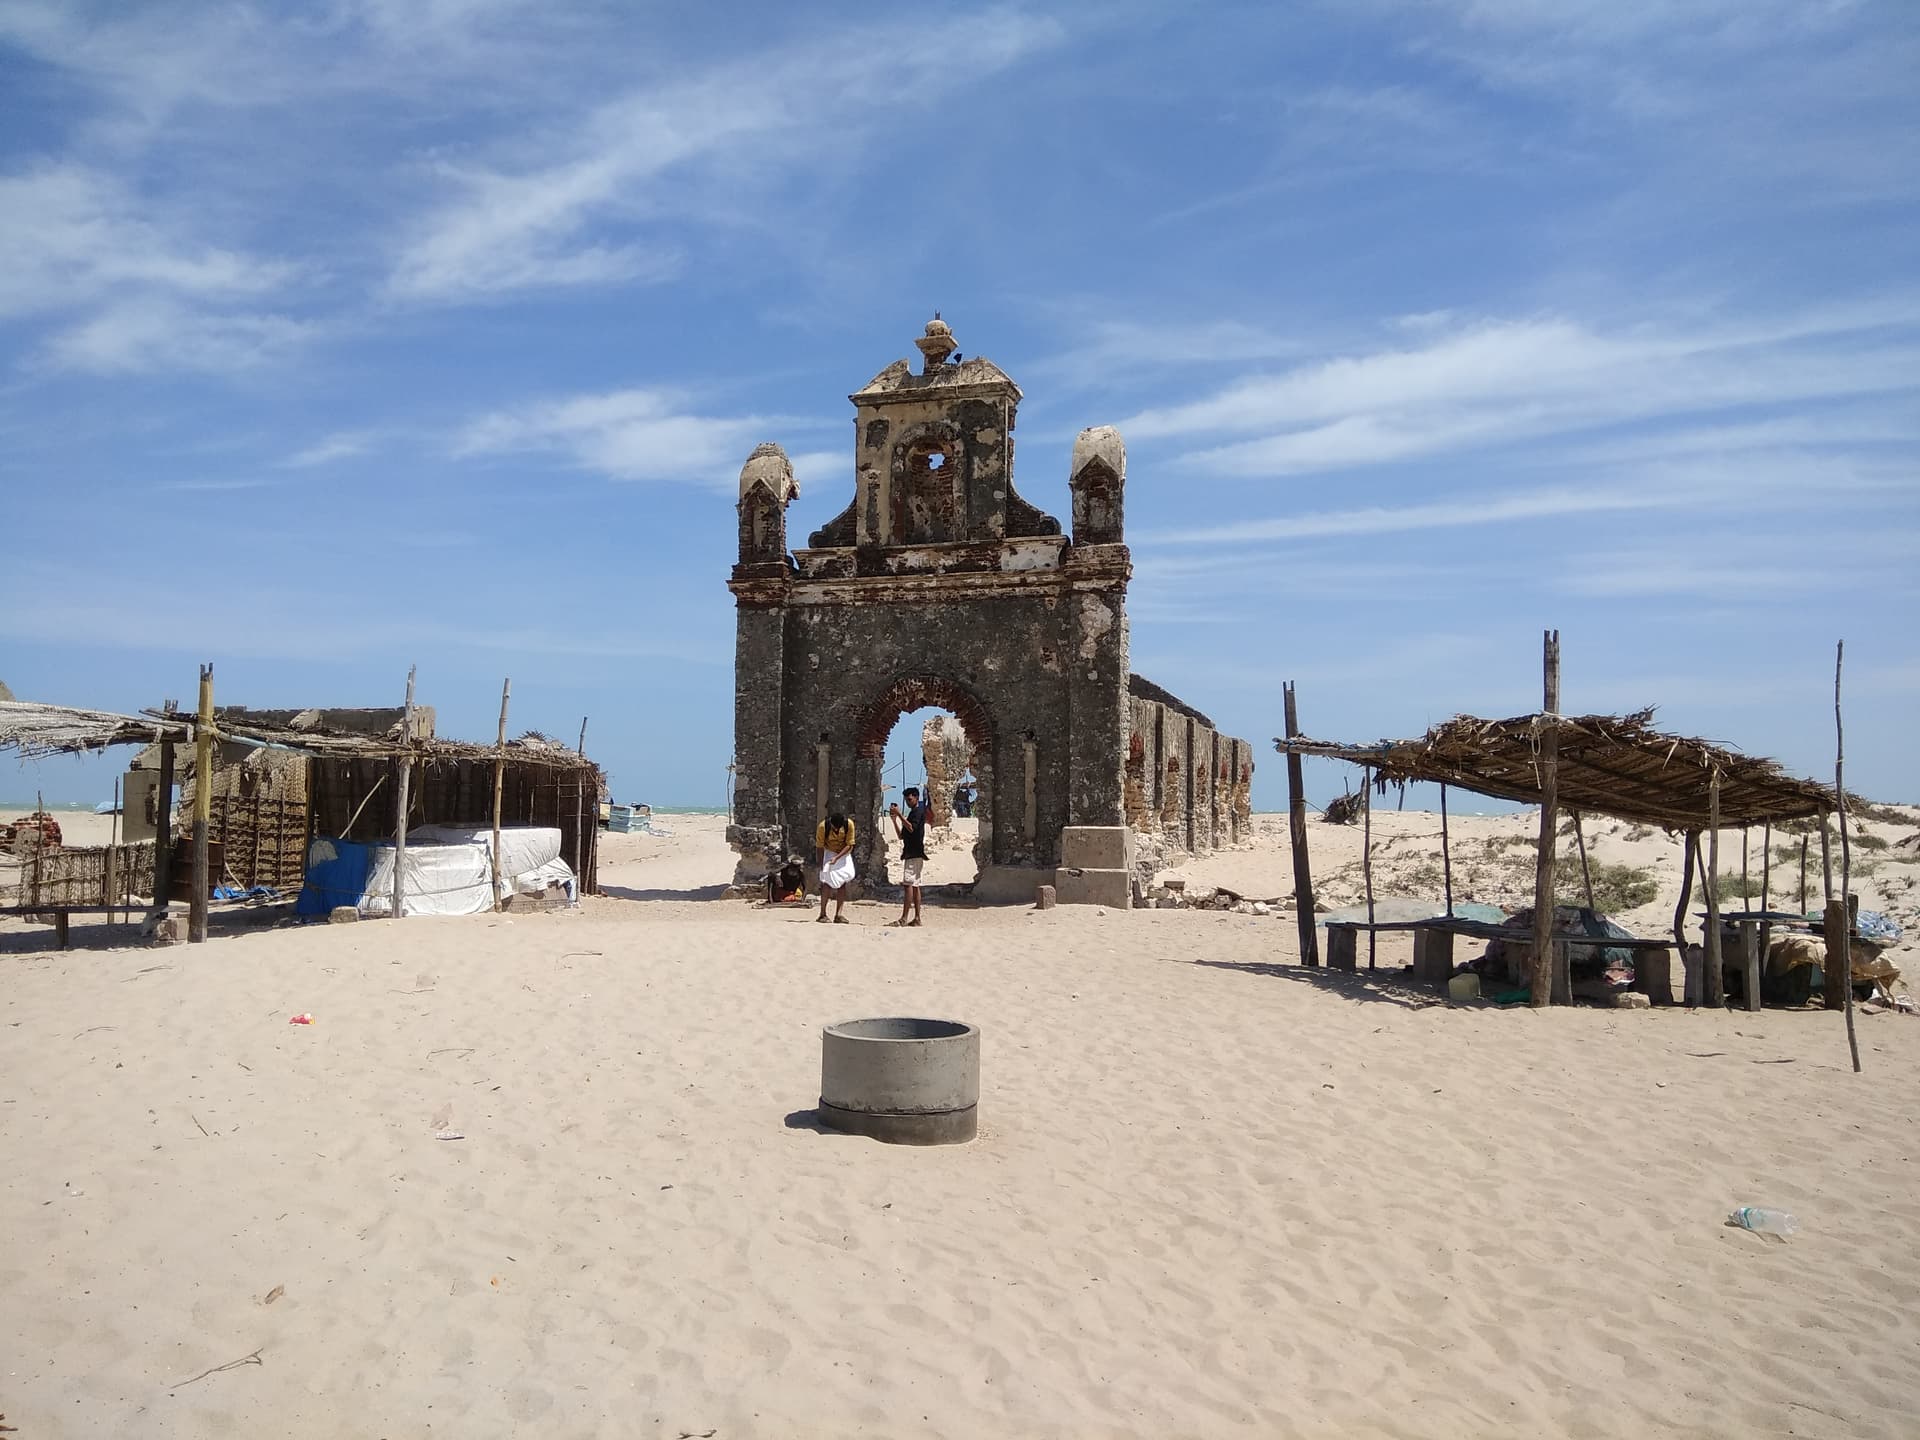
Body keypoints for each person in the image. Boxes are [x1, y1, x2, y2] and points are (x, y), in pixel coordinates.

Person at [888, 786, 928, 927]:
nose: (908, 802)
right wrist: (894, 820)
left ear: (916, 798)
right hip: (913, 852)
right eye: (906, 800)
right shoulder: (912, 813)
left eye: (909, 799)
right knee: (915, 885)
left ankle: (904, 918)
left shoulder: (917, 812)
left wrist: (899, 814)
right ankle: (916, 918)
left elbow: (912, 828)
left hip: (914, 853)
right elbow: (901, 835)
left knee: (908, 885)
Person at [815, 811, 856, 923]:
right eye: (835, 828)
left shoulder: (849, 825)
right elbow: (819, 846)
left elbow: (850, 845)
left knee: (842, 882)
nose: (837, 830)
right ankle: (822, 914)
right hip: (829, 852)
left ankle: (838, 915)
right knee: (826, 882)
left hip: (843, 853)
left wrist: (837, 858)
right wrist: (821, 864)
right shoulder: (823, 827)